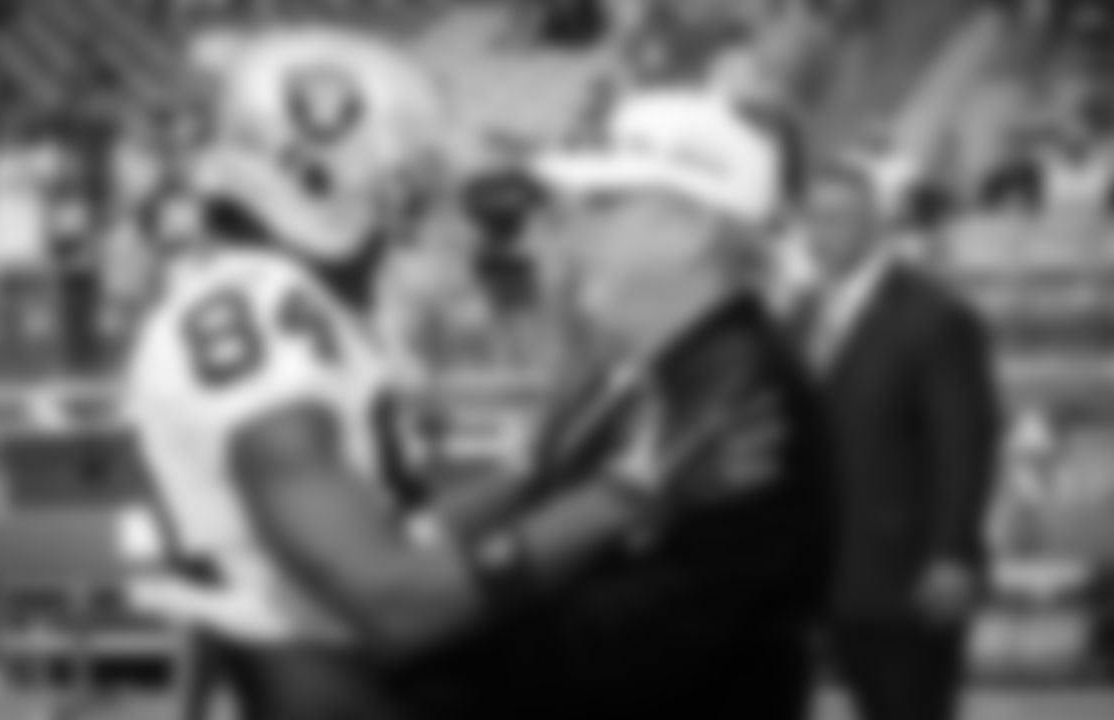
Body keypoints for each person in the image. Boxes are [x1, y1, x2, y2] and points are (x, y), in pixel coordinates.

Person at [120, 27, 777, 720]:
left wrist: (537, 471)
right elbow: (393, 600)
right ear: (318, 178)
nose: (413, 210)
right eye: (400, 182)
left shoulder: (293, 306)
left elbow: (405, 539)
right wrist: (626, 493)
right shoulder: (255, 310)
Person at [522, 87, 836, 720]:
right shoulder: (655, 377)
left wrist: (427, 634)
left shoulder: (738, 391)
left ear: (690, 229)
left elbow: (635, 647)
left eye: (603, 203)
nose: (566, 228)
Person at [799, 159, 1001, 720]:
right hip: (825, 577)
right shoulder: (801, 314)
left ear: (877, 225)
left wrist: (952, 552)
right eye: (812, 218)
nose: (821, 233)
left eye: (838, 218)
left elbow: (966, 442)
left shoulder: (935, 316)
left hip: (907, 577)